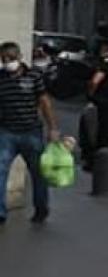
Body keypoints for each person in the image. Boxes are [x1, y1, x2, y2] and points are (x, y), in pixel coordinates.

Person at [0, 41, 58, 225]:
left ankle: (41, 209)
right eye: (3, 59)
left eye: (10, 58)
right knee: (0, 171)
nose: (7, 62)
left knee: (38, 174)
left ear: (19, 57)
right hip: (6, 132)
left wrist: (53, 128)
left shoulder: (34, 76)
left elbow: (44, 102)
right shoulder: (0, 77)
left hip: (31, 132)